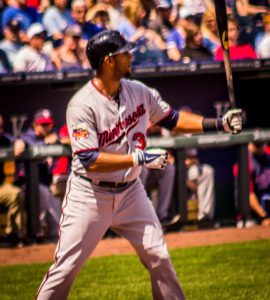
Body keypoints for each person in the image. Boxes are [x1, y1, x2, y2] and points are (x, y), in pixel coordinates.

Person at [36, 29, 243, 300]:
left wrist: (219, 124)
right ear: (108, 61)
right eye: (125, 52)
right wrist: (138, 158)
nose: (131, 55)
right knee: (65, 268)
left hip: (131, 192)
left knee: (158, 255)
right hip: (90, 196)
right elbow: (89, 161)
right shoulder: (82, 105)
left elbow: (173, 119)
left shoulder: (139, 91)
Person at [0, 114, 25, 246]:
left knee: (16, 193)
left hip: (1, 186)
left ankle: (13, 235)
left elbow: (17, 140)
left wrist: (18, 142)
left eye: (0, 126)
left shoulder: (4, 139)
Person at [234, 141, 270, 227]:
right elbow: (249, 194)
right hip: (251, 213)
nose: (261, 148)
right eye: (257, 145)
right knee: (249, 225)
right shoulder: (244, 161)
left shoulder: (267, 154)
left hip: (266, 201)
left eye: (262, 144)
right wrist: (265, 216)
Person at [185, 148, 215, 227]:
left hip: (191, 167)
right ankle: (164, 217)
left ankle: (204, 216)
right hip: (174, 166)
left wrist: (192, 161)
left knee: (207, 171)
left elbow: (194, 158)